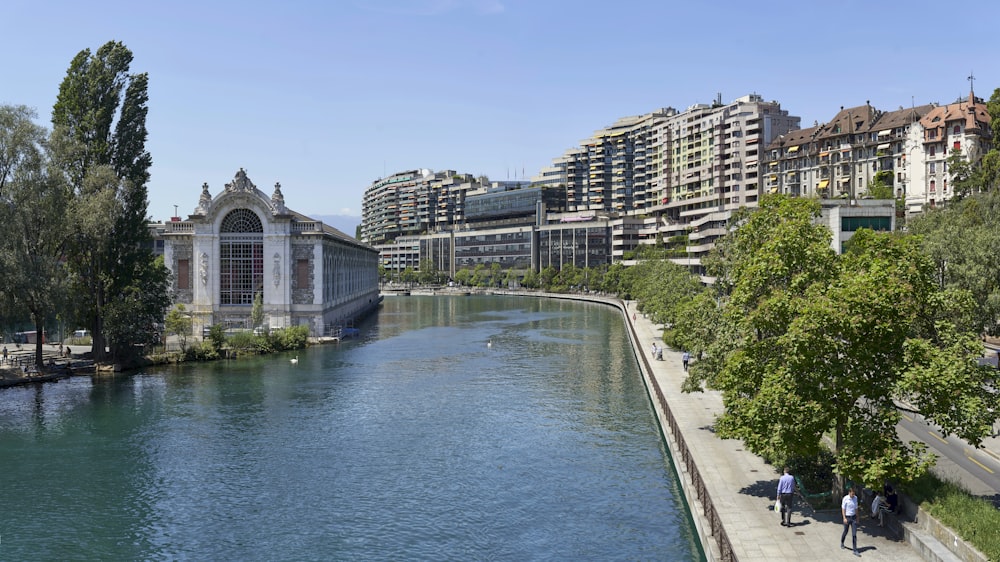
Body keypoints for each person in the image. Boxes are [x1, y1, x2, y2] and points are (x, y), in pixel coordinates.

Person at [841, 487, 861, 556]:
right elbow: (843, 509)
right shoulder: (845, 499)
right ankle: (842, 542)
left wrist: (858, 518)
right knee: (845, 531)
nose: (853, 495)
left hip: (853, 518)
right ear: (849, 493)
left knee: (854, 534)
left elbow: (856, 508)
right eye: (852, 494)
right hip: (847, 517)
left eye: (854, 494)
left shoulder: (855, 498)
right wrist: (844, 518)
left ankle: (855, 550)